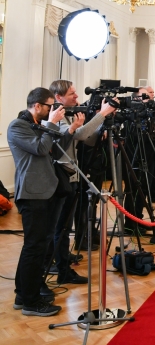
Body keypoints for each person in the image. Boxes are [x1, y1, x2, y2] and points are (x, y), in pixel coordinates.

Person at [47, 79, 117, 285]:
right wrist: (101, 114)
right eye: (72, 94)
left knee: (64, 226)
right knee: (61, 226)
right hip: (62, 176)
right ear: (58, 97)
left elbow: (84, 137)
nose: (77, 97)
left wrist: (101, 126)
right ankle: (61, 267)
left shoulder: (67, 115)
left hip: (71, 175)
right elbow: (77, 135)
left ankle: (62, 258)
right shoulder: (56, 118)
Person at [8, 87, 66, 316]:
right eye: (50, 106)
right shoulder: (17, 126)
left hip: (46, 191)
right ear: (37, 106)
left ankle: (23, 294)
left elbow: (55, 152)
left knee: (37, 246)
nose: (52, 110)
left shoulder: (38, 125)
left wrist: (65, 128)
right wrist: (51, 124)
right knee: (34, 247)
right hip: (32, 194)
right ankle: (31, 302)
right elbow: (41, 149)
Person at [123, 87, 155, 235]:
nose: (150, 100)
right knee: (134, 192)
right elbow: (135, 138)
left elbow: (149, 136)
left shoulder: (149, 114)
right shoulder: (131, 115)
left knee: (143, 193)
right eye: (146, 97)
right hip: (135, 159)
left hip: (148, 158)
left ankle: (139, 220)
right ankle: (130, 224)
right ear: (136, 99)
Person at [145, 85, 155, 203]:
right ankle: (147, 198)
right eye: (150, 92)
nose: (153, 94)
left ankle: (153, 196)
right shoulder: (141, 111)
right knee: (147, 175)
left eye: (153, 92)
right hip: (145, 147)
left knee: (154, 172)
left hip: (154, 145)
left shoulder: (154, 110)